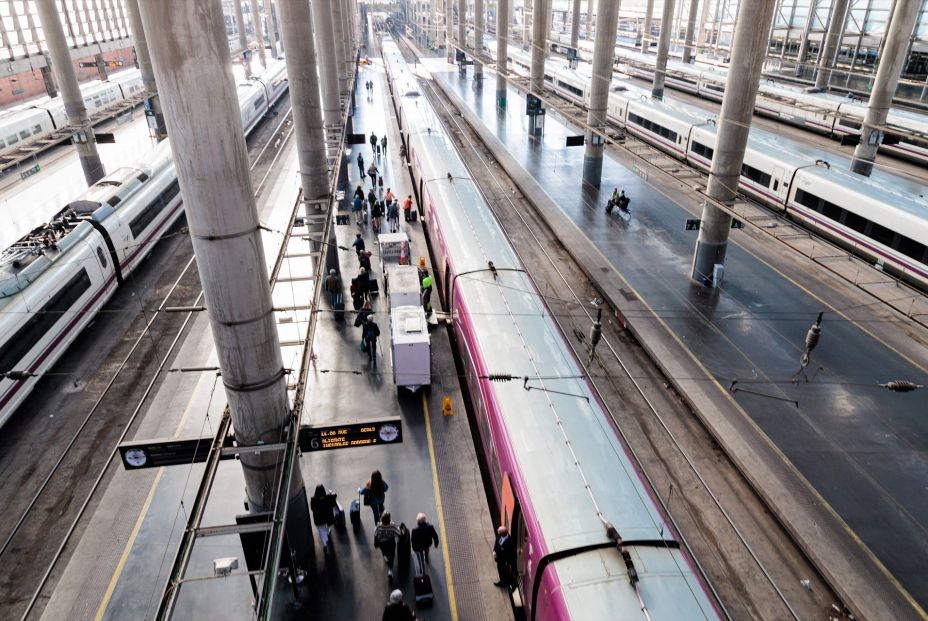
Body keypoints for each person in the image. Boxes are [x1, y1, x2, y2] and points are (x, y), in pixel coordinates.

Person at [310, 485, 337, 554]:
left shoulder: (313, 500)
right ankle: (328, 532)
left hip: (319, 521)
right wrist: (331, 494)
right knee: (327, 527)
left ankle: (324, 545)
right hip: (327, 519)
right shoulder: (328, 498)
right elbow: (334, 497)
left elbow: (312, 509)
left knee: (322, 533)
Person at [374, 512, 402, 578]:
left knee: (384, 551)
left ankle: (385, 556)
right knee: (391, 556)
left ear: (382, 519)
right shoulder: (392, 526)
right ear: (389, 519)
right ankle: (390, 570)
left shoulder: (379, 526)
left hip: (382, 543)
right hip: (390, 543)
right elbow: (399, 533)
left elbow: (376, 534)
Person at [493, 525, 516, 590]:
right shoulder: (499, 536)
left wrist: (507, 562)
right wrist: (494, 551)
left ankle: (509, 584)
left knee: (505, 572)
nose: (498, 533)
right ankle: (503, 581)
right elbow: (496, 544)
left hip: (504, 561)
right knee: (500, 571)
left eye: (499, 532)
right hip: (499, 559)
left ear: (502, 534)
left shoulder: (510, 542)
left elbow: (511, 553)